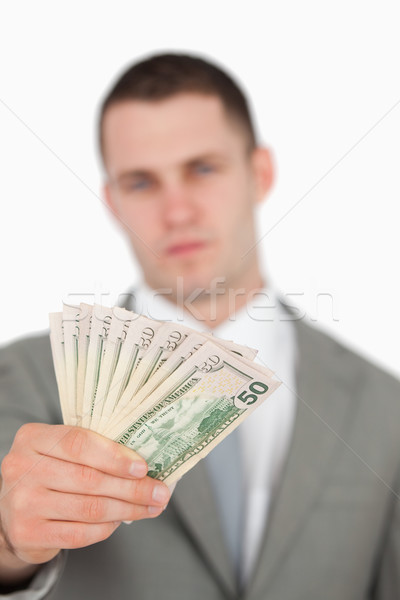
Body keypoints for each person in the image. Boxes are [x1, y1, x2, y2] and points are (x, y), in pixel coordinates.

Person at [0, 52, 399, 600]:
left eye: (202, 169)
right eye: (142, 183)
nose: (177, 211)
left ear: (259, 173)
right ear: (113, 203)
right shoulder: (20, 378)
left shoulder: (384, 406)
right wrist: (9, 544)